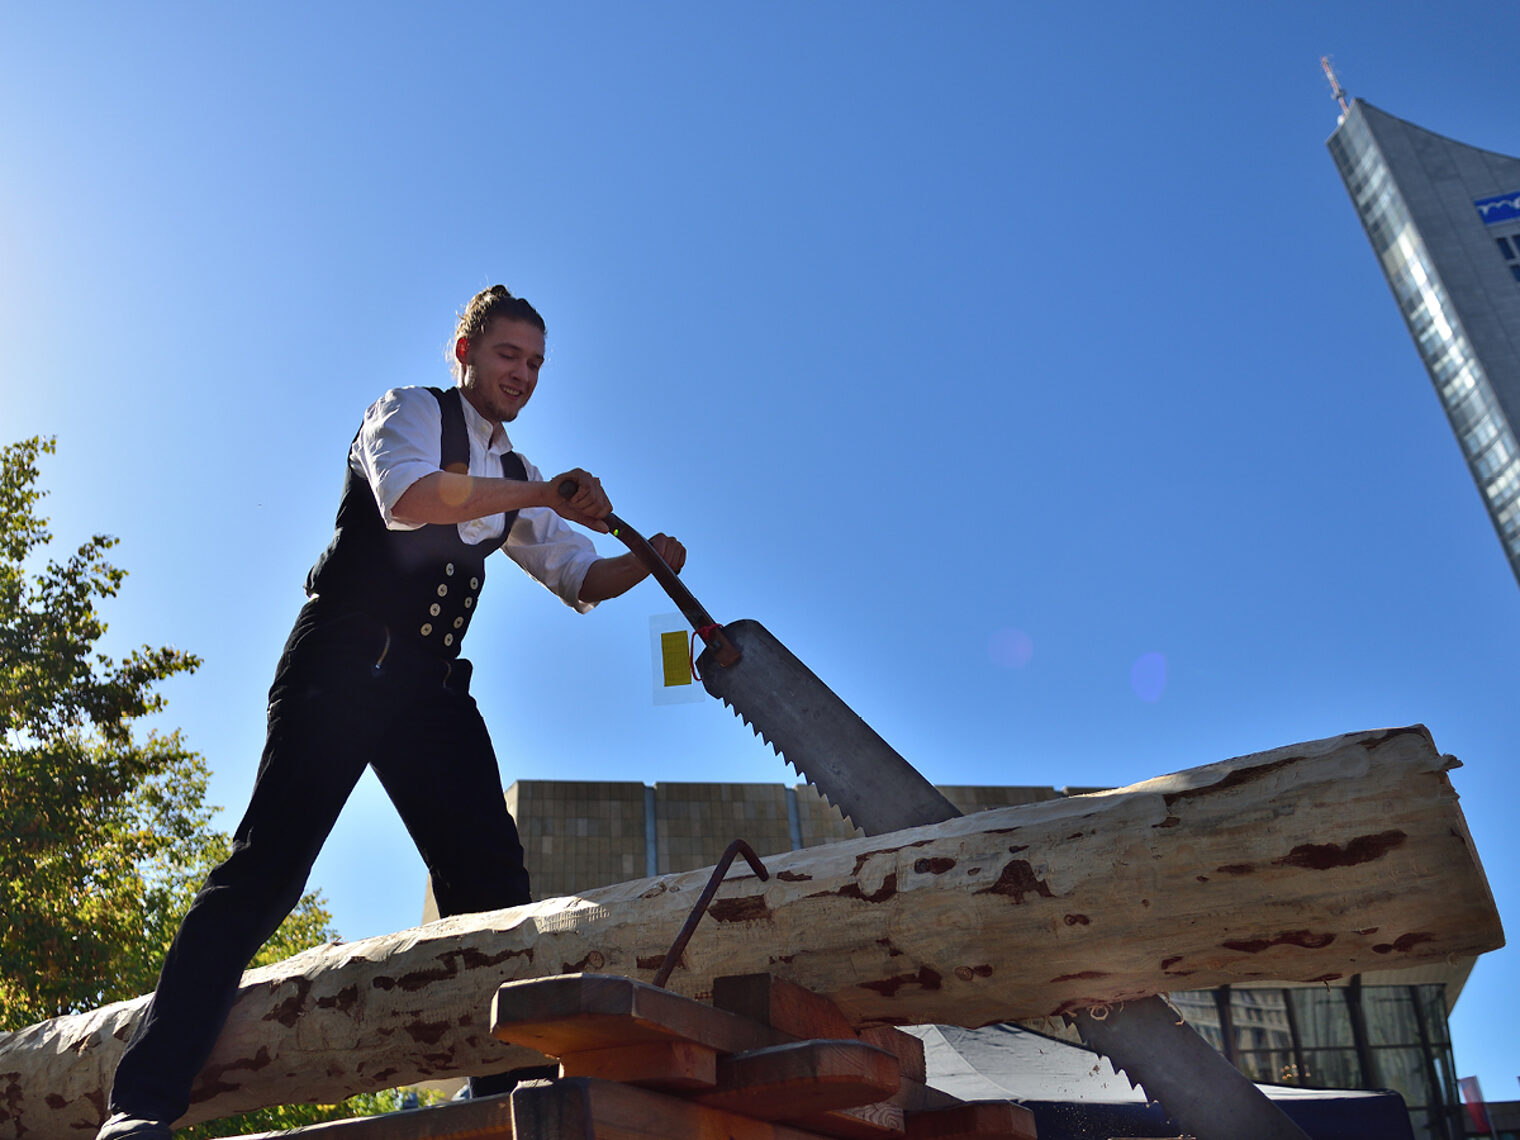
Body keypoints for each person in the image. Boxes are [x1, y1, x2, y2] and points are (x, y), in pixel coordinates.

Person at [97, 285, 685, 1139]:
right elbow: (409, 501)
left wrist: (646, 559)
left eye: (535, 364)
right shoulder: (407, 412)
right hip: (346, 656)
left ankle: (505, 1097)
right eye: (507, 355)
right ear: (467, 351)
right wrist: (542, 498)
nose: (521, 375)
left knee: (493, 889)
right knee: (264, 870)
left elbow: (579, 580)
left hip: (430, 689)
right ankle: (139, 1104)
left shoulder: (520, 476)